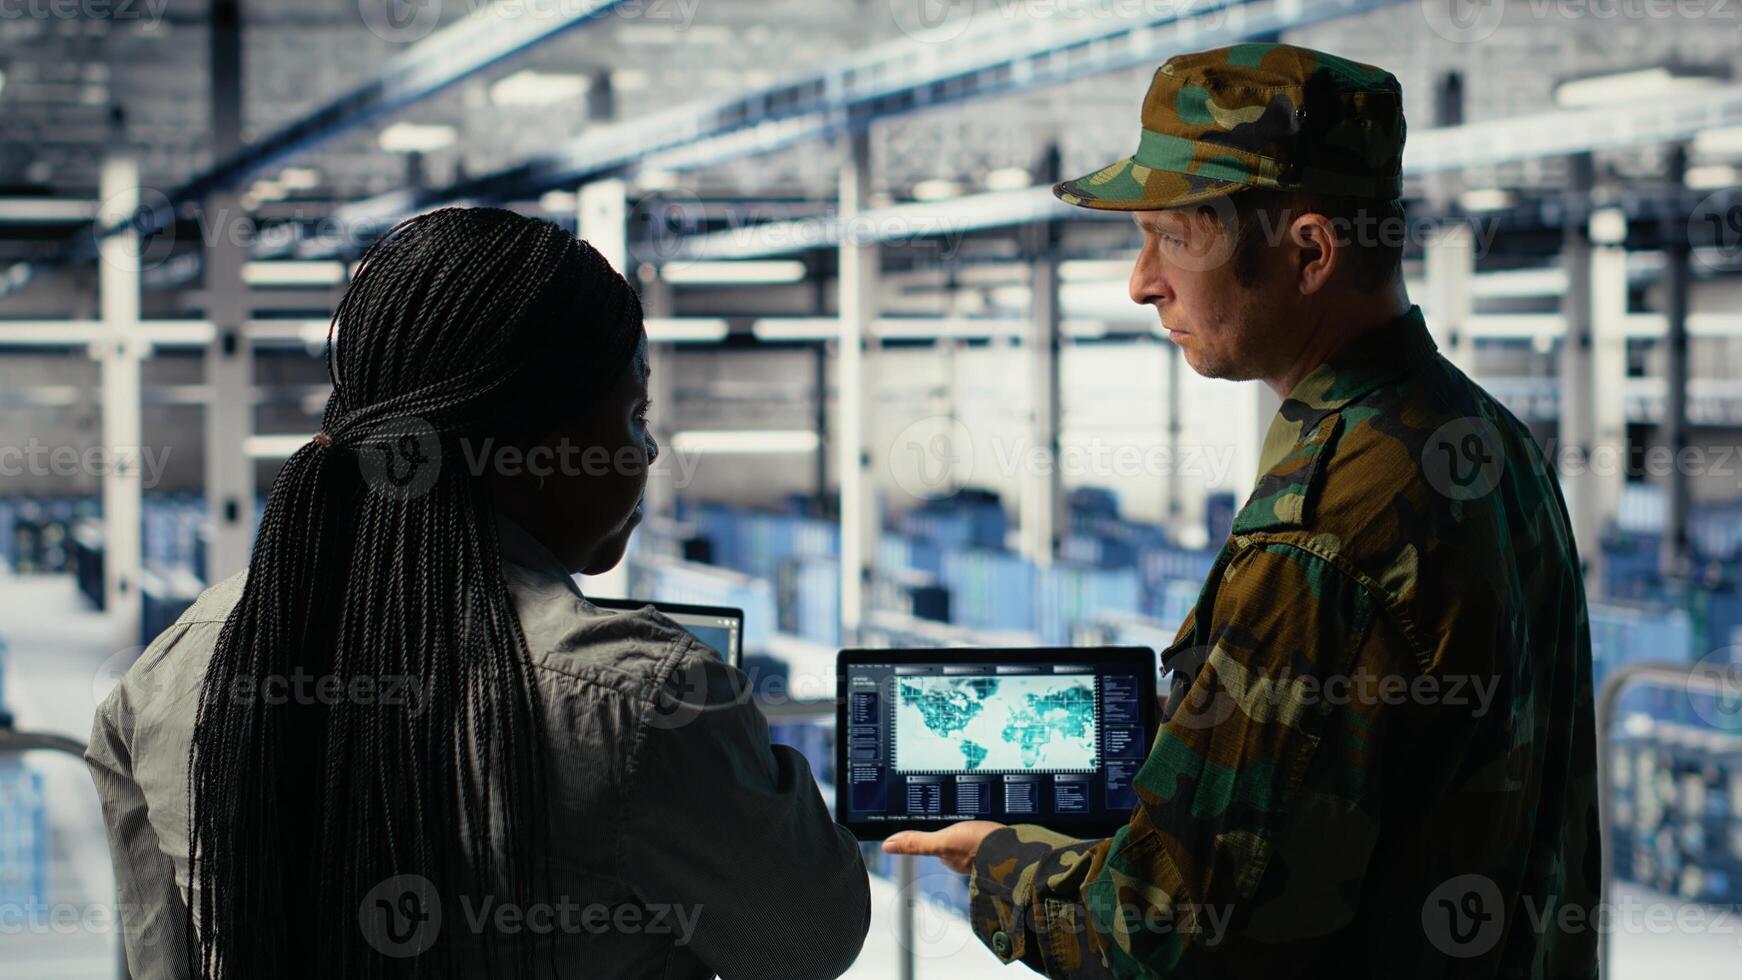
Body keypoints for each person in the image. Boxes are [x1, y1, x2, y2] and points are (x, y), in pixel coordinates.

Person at [885, 43, 1600, 978]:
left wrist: (1001, 861)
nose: (1142, 281)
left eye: (1174, 238)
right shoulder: (1490, 441)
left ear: (1310, 252)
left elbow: (1156, 934)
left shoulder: (1320, 529)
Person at [85, 207, 870, 979]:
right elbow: (809, 942)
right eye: (634, 414)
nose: (651, 449)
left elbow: (166, 961)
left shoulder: (169, 670)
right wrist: (734, 742)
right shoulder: (644, 701)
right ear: (541, 445)